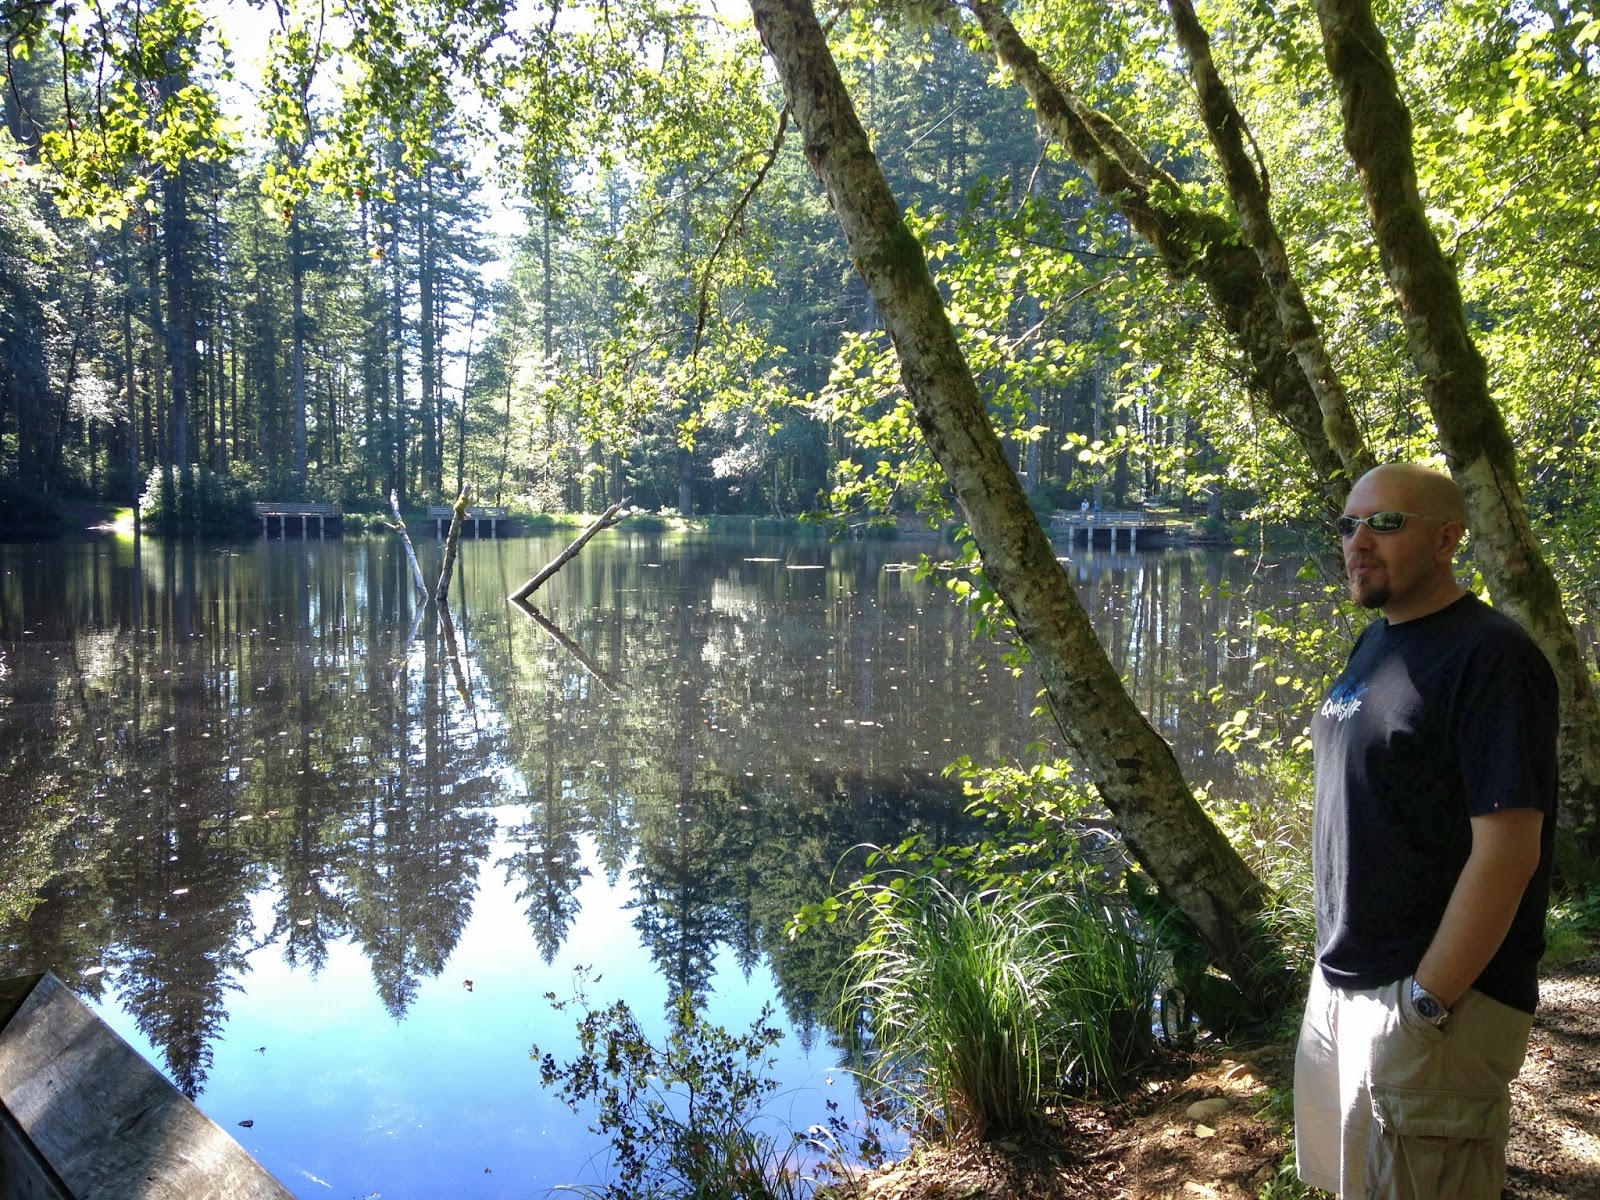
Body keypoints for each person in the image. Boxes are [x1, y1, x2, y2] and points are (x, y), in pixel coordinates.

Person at [1294, 463, 1558, 1199]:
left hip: (1433, 1006)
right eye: (1349, 525)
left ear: (1447, 539)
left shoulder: (1491, 657)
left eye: (1384, 523)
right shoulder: (1377, 644)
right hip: (1348, 985)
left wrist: (1428, 1002)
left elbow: (1509, 853)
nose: (1358, 542)